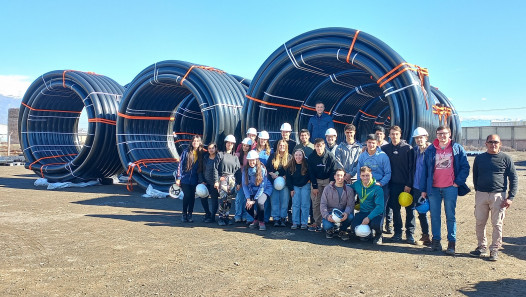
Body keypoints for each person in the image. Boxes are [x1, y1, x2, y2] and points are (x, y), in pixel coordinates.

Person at [421, 125, 470, 255]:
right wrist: (424, 189)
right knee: (435, 216)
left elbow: (465, 167)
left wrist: (457, 183)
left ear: (449, 134)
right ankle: (436, 242)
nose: (442, 136)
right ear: (436, 135)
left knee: (450, 216)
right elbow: (425, 170)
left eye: (444, 133)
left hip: (450, 187)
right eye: (439, 133)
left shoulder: (457, 148)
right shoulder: (431, 149)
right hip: (434, 188)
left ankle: (451, 243)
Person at [470, 134, 518, 261]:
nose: (493, 144)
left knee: (497, 224)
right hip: (481, 195)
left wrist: (510, 197)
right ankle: (481, 247)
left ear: (500, 143)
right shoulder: (479, 159)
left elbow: (513, 178)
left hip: (498, 196)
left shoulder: (506, 158)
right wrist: (478, 191)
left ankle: (495, 249)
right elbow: (475, 176)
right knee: (480, 222)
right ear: (486, 144)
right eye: (490, 142)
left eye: (496, 142)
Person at [381, 126, 415, 244]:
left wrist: (409, 184)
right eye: (392, 134)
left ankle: (410, 234)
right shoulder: (385, 149)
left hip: (406, 185)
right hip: (393, 185)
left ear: (400, 135)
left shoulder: (408, 149)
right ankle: (397, 233)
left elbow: (412, 169)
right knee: (395, 210)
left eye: (396, 134)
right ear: (389, 135)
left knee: (409, 210)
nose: (394, 136)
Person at [357, 134, 391, 232]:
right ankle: (367, 229)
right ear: (366, 143)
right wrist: (361, 184)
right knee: (367, 207)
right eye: (369, 142)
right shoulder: (362, 156)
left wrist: (381, 183)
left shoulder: (383, 156)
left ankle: (378, 232)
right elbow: (359, 171)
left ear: (377, 143)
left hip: (380, 186)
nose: (371, 145)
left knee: (379, 209)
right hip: (366, 186)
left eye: (373, 143)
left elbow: (388, 173)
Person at [308, 138, 338, 232]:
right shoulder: (311, 157)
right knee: (316, 202)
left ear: (324, 146)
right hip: (316, 180)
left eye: (321, 146)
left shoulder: (330, 156)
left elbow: (334, 170)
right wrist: (315, 186)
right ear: (314, 146)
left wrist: (331, 183)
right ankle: (317, 223)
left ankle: (331, 223)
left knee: (329, 202)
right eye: (317, 146)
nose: (319, 148)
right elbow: (311, 173)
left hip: (328, 180)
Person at [351, 166, 385, 245]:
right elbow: (348, 188)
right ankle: (368, 233)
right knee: (353, 227)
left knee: (376, 224)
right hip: (363, 212)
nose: (365, 178)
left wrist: (369, 218)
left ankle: (378, 235)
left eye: (367, 175)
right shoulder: (357, 184)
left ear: (371, 175)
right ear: (360, 176)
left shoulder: (378, 189)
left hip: (376, 213)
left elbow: (380, 207)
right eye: (363, 176)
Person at [410, 127, 432, 246]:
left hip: (430, 187)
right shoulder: (414, 151)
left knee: (434, 213)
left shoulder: (432, 151)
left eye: (421, 137)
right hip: (417, 187)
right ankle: (425, 236)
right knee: (421, 212)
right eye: (417, 138)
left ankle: (437, 238)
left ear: (426, 138)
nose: (419, 140)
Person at [320, 168, 355, 240]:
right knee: (326, 225)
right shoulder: (327, 189)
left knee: (350, 217)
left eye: (342, 176)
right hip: (330, 213)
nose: (340, 177)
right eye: (338, 175)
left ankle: (342, 230)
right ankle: (330, 230)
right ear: (334, 176)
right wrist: (326, 216)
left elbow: (350, 205)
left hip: (342, 212)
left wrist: (346, 213)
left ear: (344, 177)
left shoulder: (349, 190)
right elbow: (323, 204)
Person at [243, 150, 273, 231]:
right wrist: (248, 199)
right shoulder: (245, 170)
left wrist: (254, 200)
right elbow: (244, 185)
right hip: (253, 190)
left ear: (256, 160)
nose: (251, 162)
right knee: (247, 206)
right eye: (250, 160)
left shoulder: (262, 170)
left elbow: (262, 186)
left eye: (253, 160)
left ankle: (261, 222)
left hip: (265, 189)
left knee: (260, 202)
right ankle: (256, 219)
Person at [176, 135, 203, 223]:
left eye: (197, 141)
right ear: (191, 142)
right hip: (185, 178)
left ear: (199, 143)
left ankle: (190, 214)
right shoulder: (186, 152)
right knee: (187, 195)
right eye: (194, 141)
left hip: (195, 179)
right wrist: (178, 178)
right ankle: (184, 213)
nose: (195, 142)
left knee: (192, 197)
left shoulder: (201, 153)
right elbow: (180, 165)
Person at [216, 135, 241, 226]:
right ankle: (221, 217)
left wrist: (239, 183)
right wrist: (217, 180)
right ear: (225, 143)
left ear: (233, 144)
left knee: (229, 200)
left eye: (231, 143)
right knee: (223, 199)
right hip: (222, 178)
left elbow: (238, 171)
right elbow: (215, 168)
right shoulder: (220, 154)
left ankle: (226, 216)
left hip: (232, 180)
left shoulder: (235, 157)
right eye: (228, 143)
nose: (229, 144)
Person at [268, 140, 291, 226]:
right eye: (280, 145)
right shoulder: (272, 156)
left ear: (286, 147)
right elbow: (268, 168)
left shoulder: (289, 157)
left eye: (283, 145)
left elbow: (292, 170)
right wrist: (272, 174)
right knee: (274, 201)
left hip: (284, 182)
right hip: (274, 181)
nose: (282, 147)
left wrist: (286, 176)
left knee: (284, 201)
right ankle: (276, 218)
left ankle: (283, 218)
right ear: (278, 146)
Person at [286, 149, 311, 230]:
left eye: (300, 155)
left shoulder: (307, 164)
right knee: (295, 204)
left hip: (305, 185)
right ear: (294, 156)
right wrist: (291, 189)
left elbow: (311, 174)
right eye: (296, 155)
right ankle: (295, 222)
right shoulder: (290, 165)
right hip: (295, 186)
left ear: (303, 156)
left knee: (305, 204)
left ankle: (304, 222)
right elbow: (288, 179)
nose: (298, 157)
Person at [234, 137, 254, 223]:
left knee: (247, 199)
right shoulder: (237, 155)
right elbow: (236, 170)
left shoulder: (251, 156)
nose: (245, 147)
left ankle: (245, 215)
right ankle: (238, 215)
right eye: (244, 145)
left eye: (247, 146)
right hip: (239, 179)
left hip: (248, 180)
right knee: (239, 198)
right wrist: (238, 182)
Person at [199, 142, 220, 223]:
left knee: (214, 200)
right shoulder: (205, 158)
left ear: (215, 149)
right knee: (203, 197)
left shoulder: (218, 158)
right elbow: (200, 170)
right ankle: (207, 213)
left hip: (214, 183)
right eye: (209, 148)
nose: (211, 150)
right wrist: (202, 181)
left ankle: (213, 216)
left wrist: (217, 181)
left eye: (212, 148)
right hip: (205, 182)